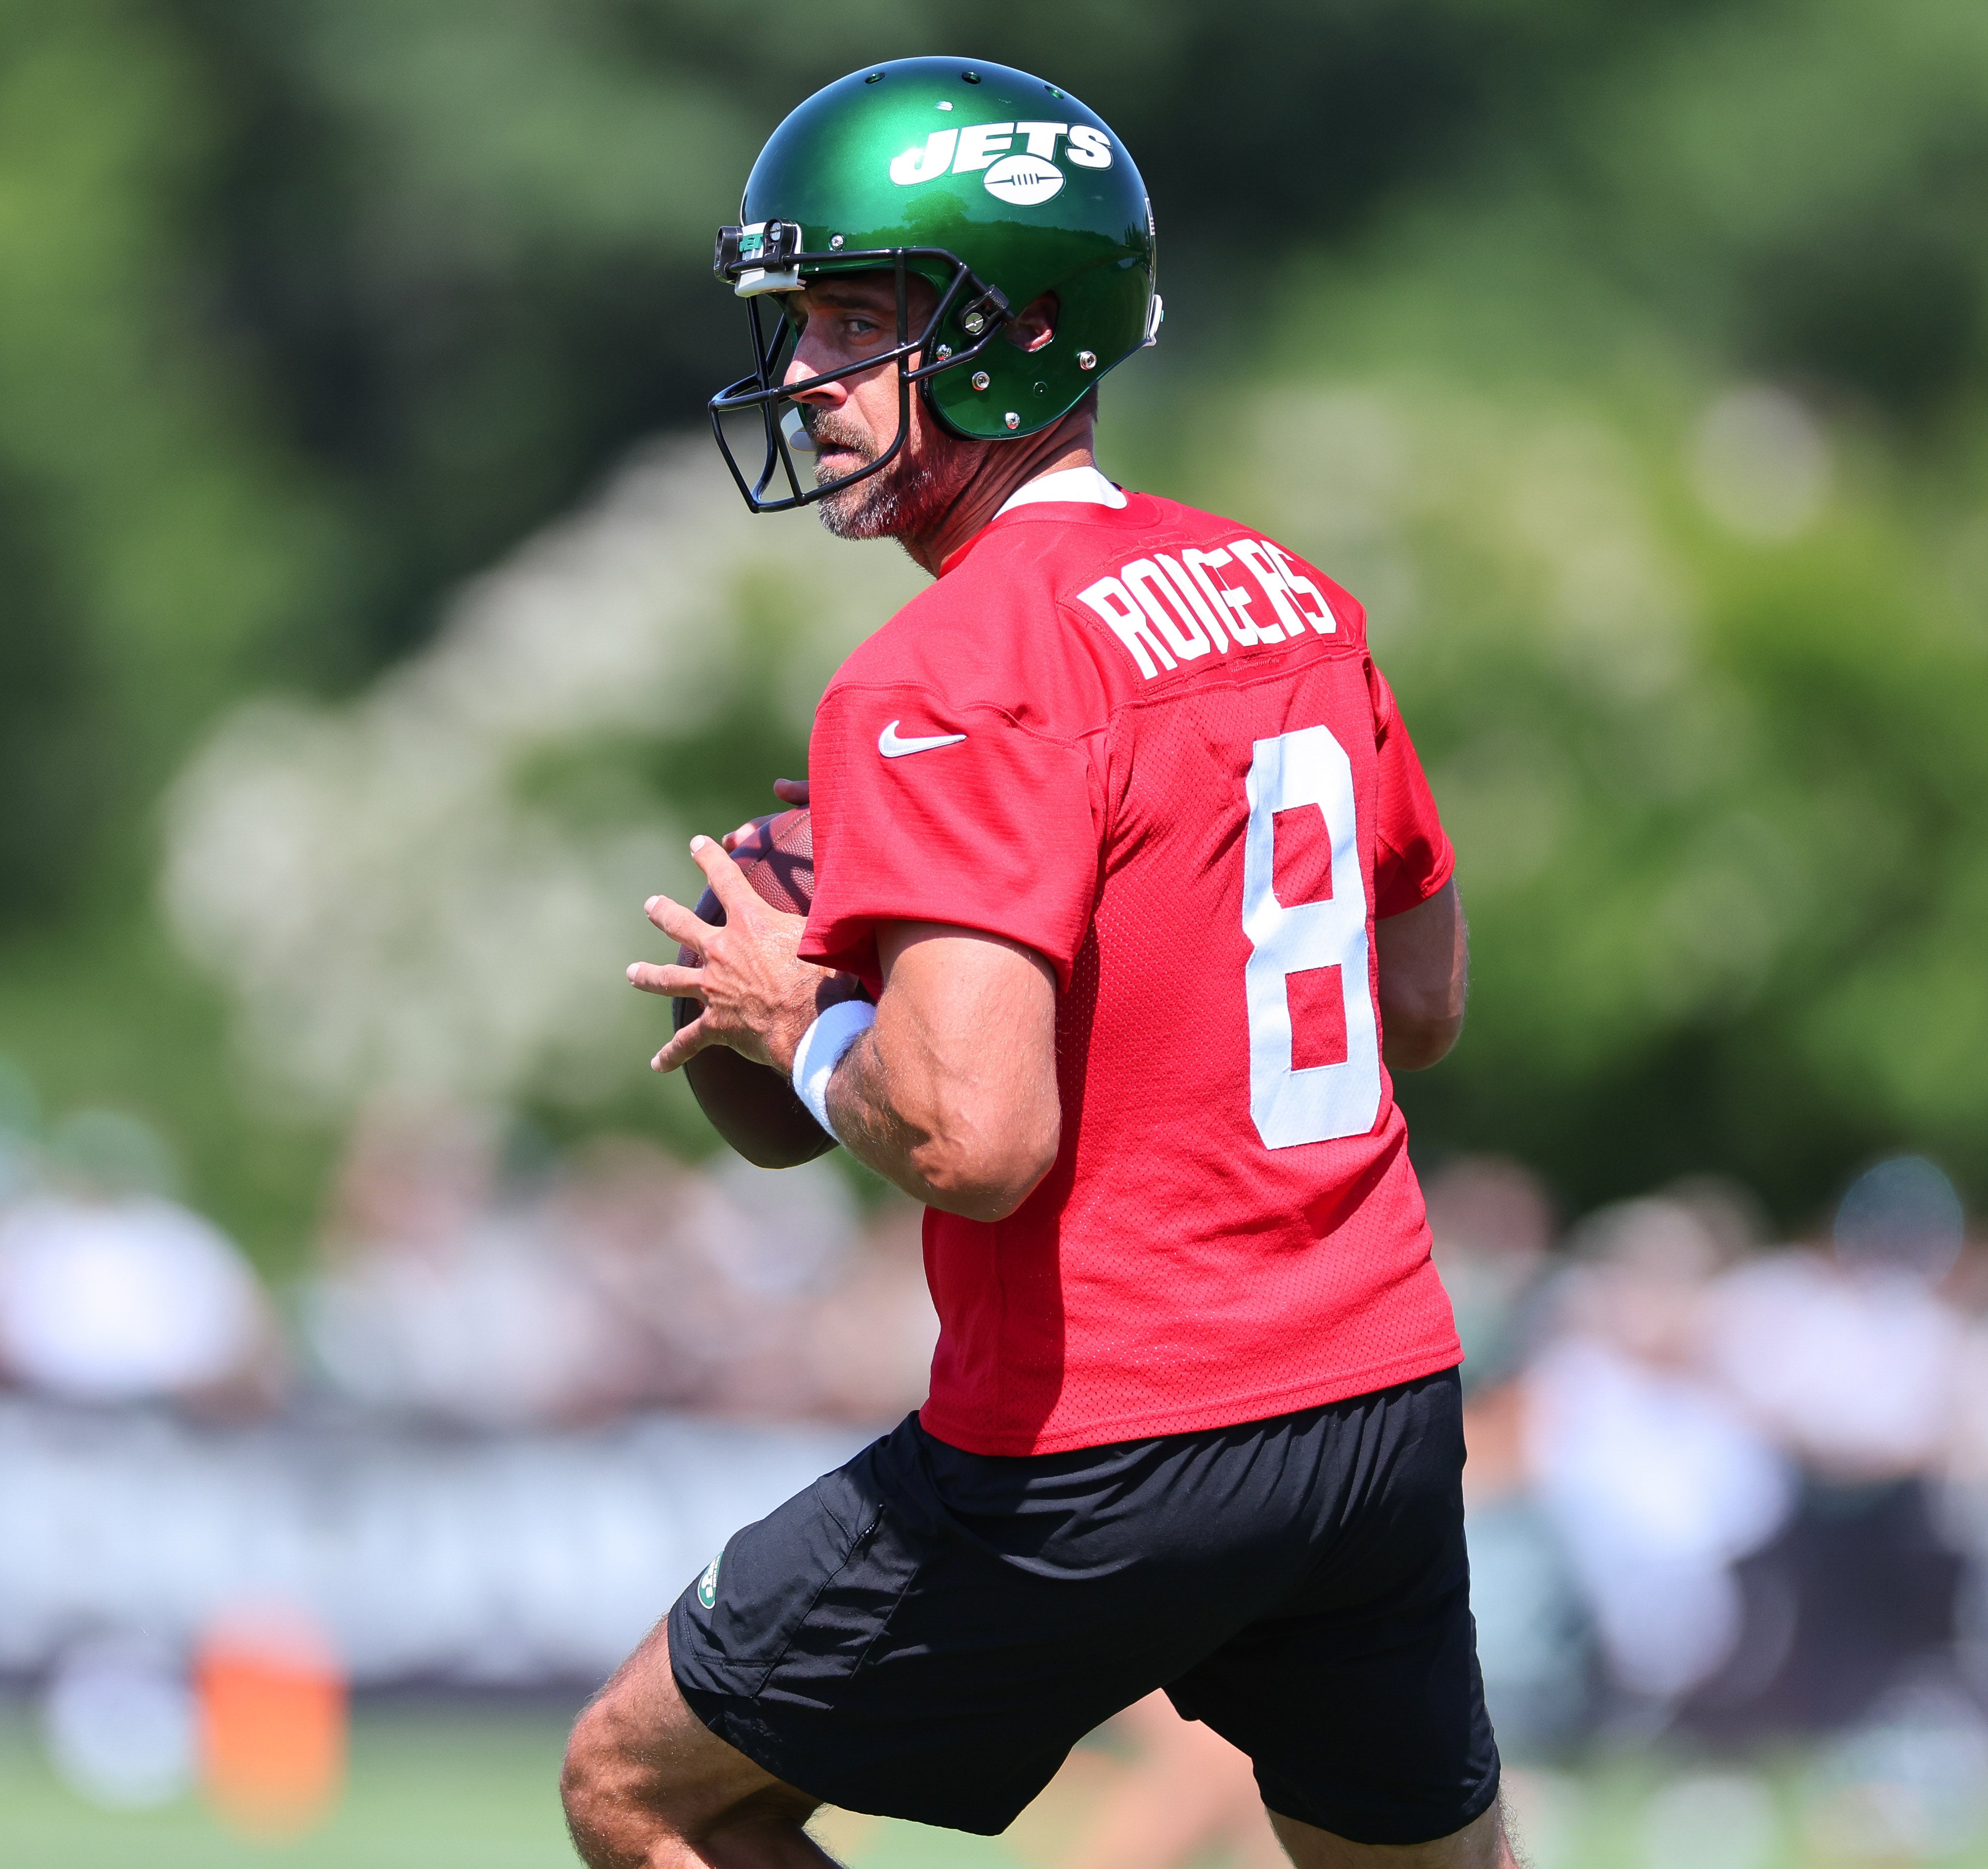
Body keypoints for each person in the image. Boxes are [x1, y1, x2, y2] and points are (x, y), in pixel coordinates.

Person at [567, 57, 1503, 1869]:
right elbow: (1422, 1000)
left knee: (642, 1788)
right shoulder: (1283, 585)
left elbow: (979, 1136)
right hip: (1376, 1389)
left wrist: (806, 1011)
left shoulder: (943, 668)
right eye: (797, 323)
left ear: (1011, 332)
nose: (803, 384)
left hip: (1116, 1427)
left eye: (855, 322)